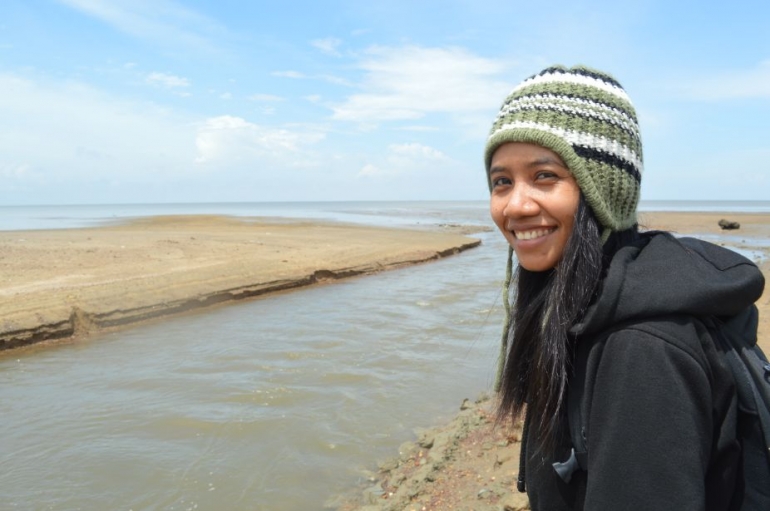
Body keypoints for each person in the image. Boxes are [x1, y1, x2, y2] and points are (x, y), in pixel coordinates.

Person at [484, 65, 765, 510]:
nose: (515, 205)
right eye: (502, 182)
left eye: (544, 176)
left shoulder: (639, 351)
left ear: (605, 192)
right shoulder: (584, 310)